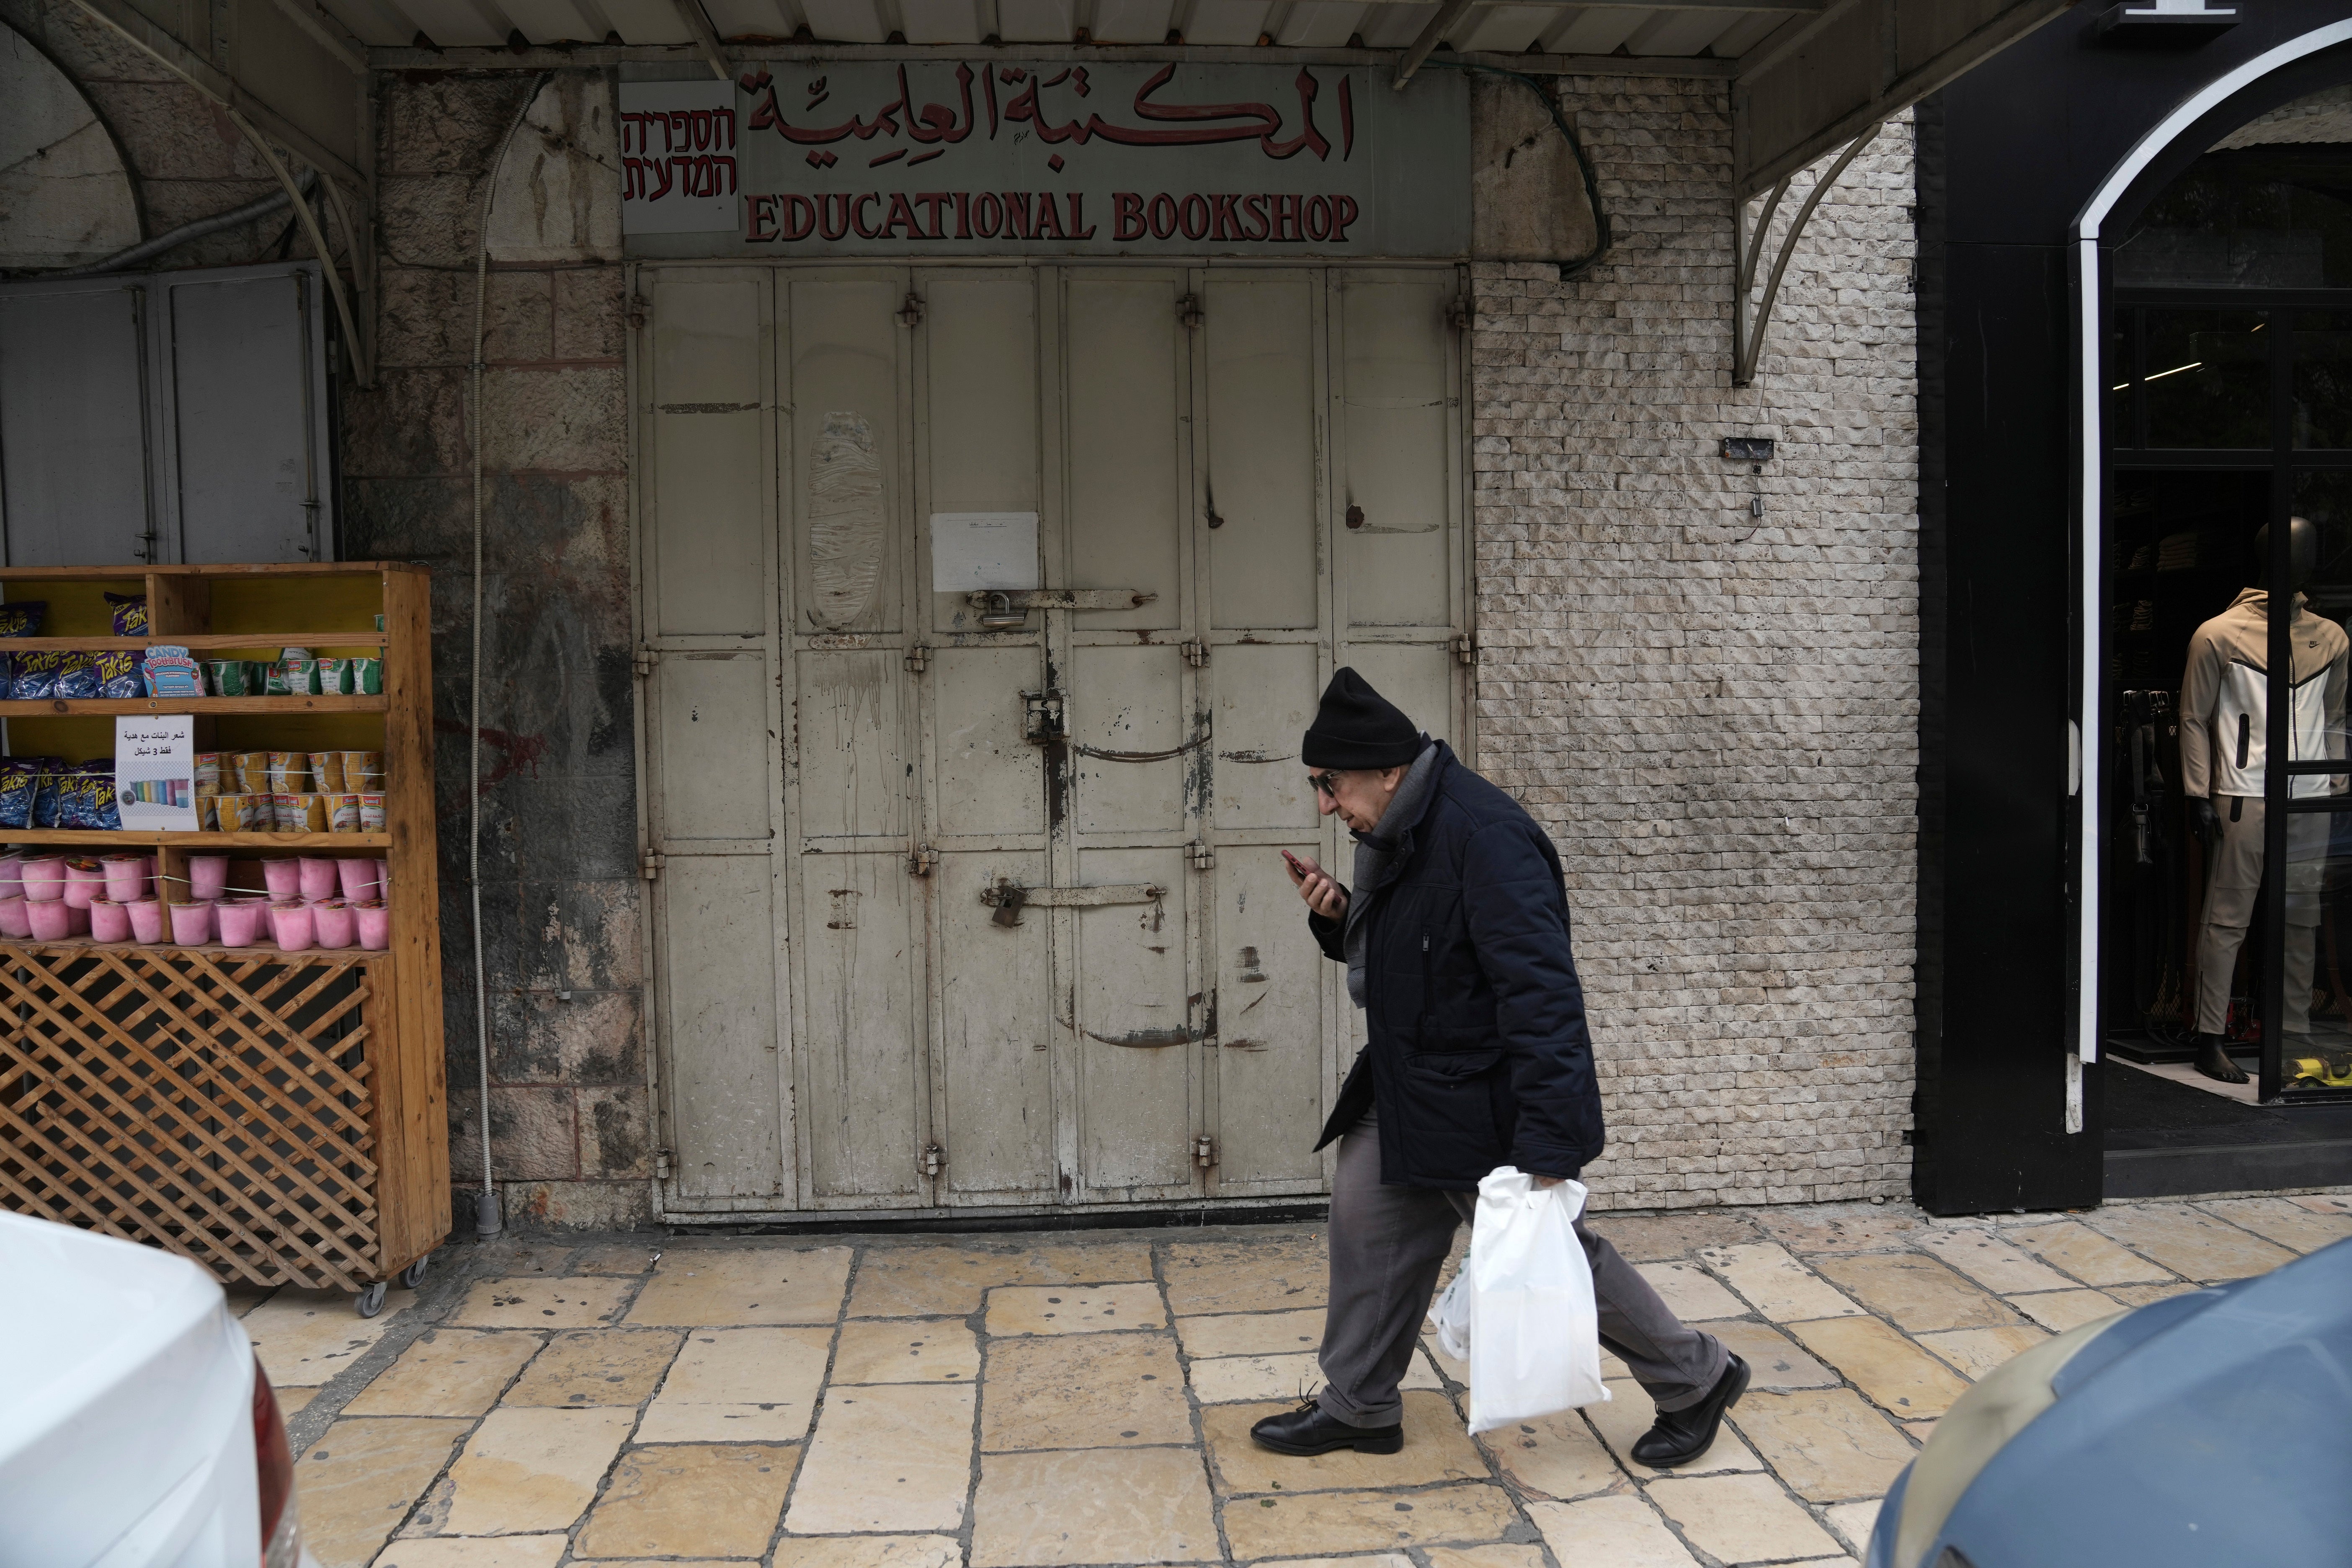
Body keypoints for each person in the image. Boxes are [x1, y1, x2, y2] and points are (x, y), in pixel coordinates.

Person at [1249, 668, 1748, 1465]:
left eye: (1332, 784)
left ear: (1387, 770)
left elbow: (1542, 994)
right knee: (1365, 1230)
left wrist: (1552, 1139)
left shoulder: (1486, 837)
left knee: (1549, 1260)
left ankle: (1696, 1377)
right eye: (1318, 785)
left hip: (1478, 1102)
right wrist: (1344, 917)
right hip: (1403, 1084)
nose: (1325, 804)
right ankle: (1359, 1405)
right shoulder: (1397, 832)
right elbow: (1423, 954)